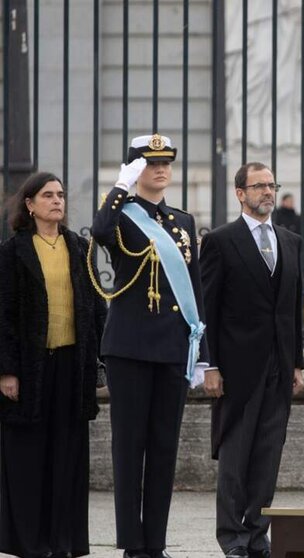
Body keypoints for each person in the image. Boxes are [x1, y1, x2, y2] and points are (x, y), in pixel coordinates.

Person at [91, 134, 209, 558]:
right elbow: (100, 231)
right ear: (136, 169)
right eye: (150, 163)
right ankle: (131, 544)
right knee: (129, 447)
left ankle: (155, 544)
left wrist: (203, 353)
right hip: (128, 347)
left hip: (172, 348)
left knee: (163, 448)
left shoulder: (182, 221)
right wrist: (120, 187)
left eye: (165, 163)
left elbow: (194, 290)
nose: (160, 169)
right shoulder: (120, 215)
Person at [199, 162, 304, 558]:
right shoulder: (221, 242)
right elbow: (206, 307)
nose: (267, 192)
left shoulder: (290, 240)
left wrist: (296, 363)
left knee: (267, 456)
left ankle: (258, 534)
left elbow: (293, 308)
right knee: (235, 457)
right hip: (236, 369)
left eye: (271, 185)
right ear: (240, 193)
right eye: (258, 186)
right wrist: (208, 364)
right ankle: (232, 537)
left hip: (278, 368)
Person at [0, 172, 107, 558]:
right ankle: (30, 543)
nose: (57, 201)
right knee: (29, 456)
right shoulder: (13, 252)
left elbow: (97, 306)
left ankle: (64, 542)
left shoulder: (78, 247)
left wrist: (101, 358)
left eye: (61, 194)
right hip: (29, 370)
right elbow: (4, 313)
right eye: (48, 195)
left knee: (67, 456)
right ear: (30, 204)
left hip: (71, 365)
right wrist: (6, 370)